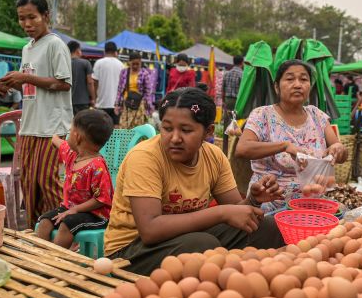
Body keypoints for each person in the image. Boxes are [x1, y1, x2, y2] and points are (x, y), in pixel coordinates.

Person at [104, 88, 284, 275]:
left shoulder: (213, 156)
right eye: (167, 128)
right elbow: (150, 231)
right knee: (203, 245)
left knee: (266, 227)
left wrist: (253, 200)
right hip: (130, 250)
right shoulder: (145, 157)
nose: (174, 138)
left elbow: (236, 212)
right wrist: (221, 213)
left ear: (208, 132)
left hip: (185, 237)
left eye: (186, 130)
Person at [0, 0, 73, 226]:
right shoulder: (27, 48)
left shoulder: (55, 45)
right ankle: (35, 229)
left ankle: (63, 230)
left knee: (46, 181)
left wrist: (24, 78)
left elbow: (63, 83)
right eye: (21, 18)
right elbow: (29, 83)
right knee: (29, 182)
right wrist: (9, 84)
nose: (27, 24)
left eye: (32, 17)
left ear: (45, 16)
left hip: (52, 125)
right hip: (30, 124)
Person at [234, 59, 348, 212]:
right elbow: (242, 149)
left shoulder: (317, 116)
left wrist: (338, 148)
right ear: (276, 87)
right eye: (289, 79)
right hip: (270, 201)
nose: (297, 84)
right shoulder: (262, 115)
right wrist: (284, 146)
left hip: (313, 203)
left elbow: (339, 151)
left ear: (310, 86)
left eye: (303, 79)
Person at [36, 109, 114, 249]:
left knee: (67, 224)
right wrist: (54, 138)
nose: (68, 133)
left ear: (77, 137)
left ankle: (58, 261)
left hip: (97, 215)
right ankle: (41, 258)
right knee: (44, 222)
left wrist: (76, 209)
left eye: (70, 130)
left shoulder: (97, 166)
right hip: (70, 209)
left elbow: (102, 199)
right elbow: (60, 143)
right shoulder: (73, 155)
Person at [114, 51, 156, 129]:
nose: (135, 66)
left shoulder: (145, 73)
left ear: (140, 62)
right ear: (129, 62)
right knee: (124, 127)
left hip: (139, 105)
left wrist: (150, 108)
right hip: (126, 104)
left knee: (137, 128)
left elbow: (148, 92)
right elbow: (120, 89)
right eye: (133, 64)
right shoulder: (124, 72)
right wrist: (117, 105)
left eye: (138, 64)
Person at [92, 41, 122, 124]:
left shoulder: (98, 63)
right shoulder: (120, 65)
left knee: (101, 129)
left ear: (104, 51)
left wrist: (94, 99)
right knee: (115, 130)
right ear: (116, 52)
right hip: (116, 104)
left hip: (101, 103)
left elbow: (94, 83)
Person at [67, 40, 95, 115]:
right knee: (82, 124)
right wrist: (93, 98)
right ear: (78, 51)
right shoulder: (85, 63)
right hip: (83, 102)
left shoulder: (64, 63)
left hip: (67, 101)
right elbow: (90, 82)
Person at [221, 55, 243, 135]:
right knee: (236, 118)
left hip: (227, 98)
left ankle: (226, 136)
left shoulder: (227, 73)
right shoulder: (242, 74)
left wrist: (223, 100)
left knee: (227, 118)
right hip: (237, 100)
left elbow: (222, 88)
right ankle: (234, 137)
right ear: (242, 62)